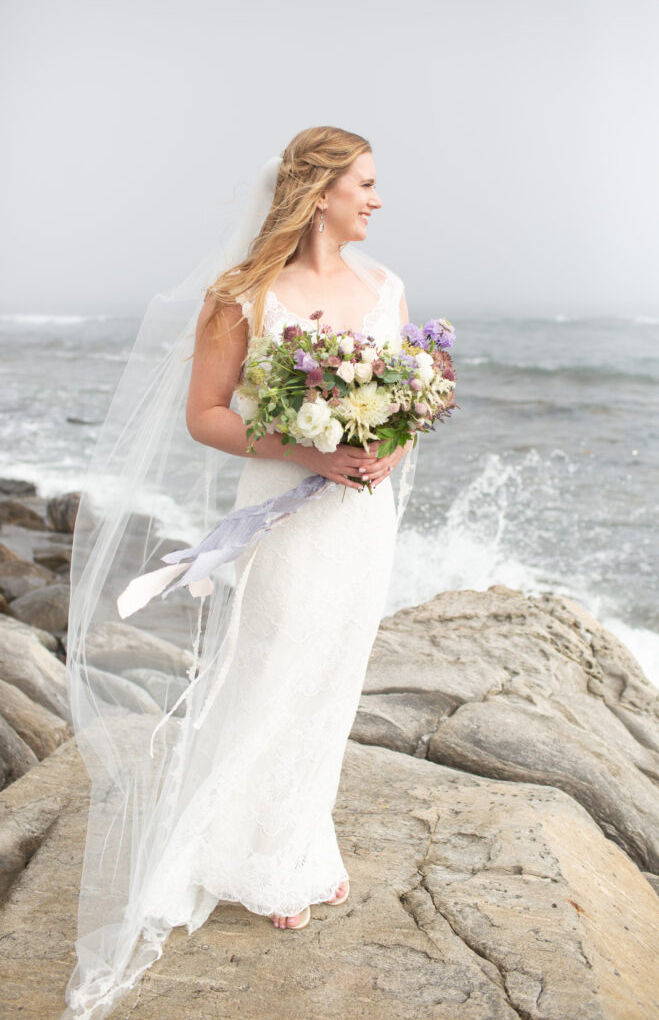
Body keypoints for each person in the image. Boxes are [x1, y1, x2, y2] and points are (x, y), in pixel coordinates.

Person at [62, 125, 418, 1019]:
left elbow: (406, 397)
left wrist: (380, 447)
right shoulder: (244, 295)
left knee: (331, 679)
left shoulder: (386, 288)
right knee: (268, 672)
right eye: (365, 183)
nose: (377, 199)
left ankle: (299, 845)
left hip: (357, 518)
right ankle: (243, 860)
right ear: (317, 191)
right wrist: (308, 446)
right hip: (283, 512)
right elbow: (205, 416)